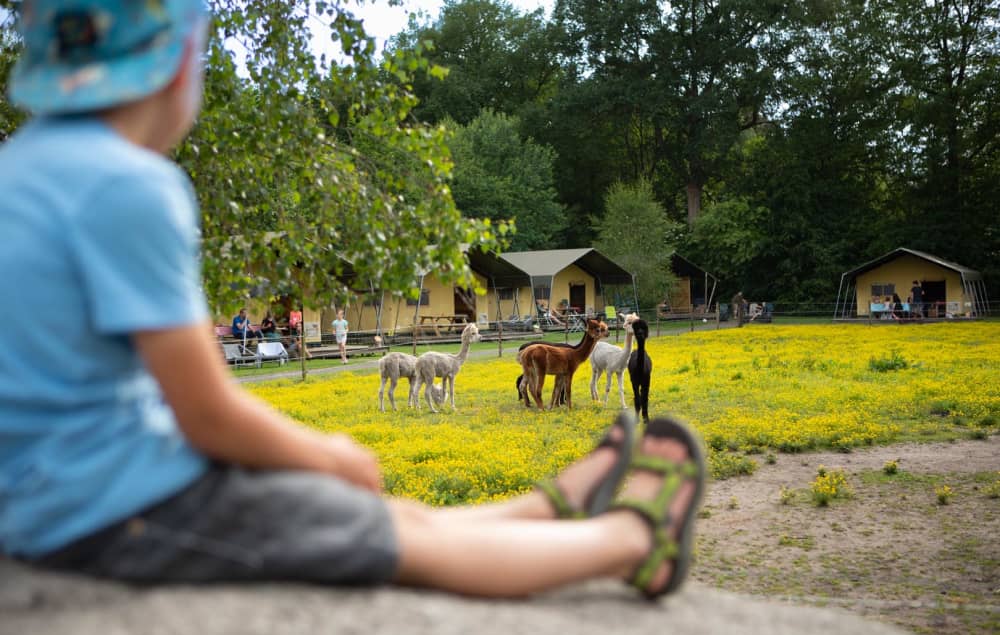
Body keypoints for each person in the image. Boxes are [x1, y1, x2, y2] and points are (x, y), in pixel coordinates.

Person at [0, 0, 705, 600]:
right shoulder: (130, 185)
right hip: (118, 513)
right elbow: (205, 409)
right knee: (387, 537)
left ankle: (538, 508)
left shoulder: (17, 175)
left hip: (48, 502)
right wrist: (328, 451)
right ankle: (631, 539)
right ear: (182, 65)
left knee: (362, 517)